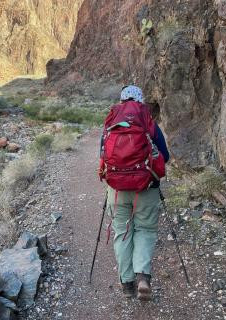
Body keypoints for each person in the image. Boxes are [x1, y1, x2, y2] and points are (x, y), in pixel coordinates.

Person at [98, 85, 169, 301]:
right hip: (146, 188)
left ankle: (127, 283)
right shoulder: (149, 123)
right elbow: (164, 156)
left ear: (121, 101)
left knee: (122, 232)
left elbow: (103, 157)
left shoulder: (111, 124)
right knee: (145, 230)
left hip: (117, 190)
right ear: (141, 101)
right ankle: (143, 279)